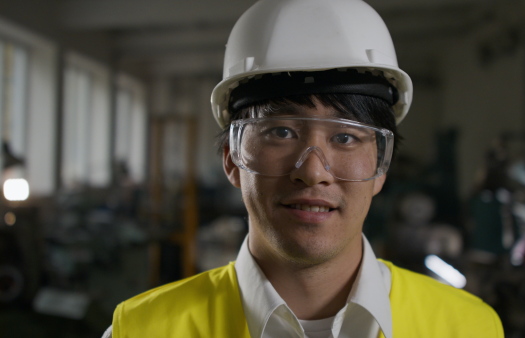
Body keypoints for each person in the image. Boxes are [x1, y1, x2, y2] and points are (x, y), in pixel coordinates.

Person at [104, 0, 504, 337]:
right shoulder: (142, 329)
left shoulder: (469, 328)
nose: (313, 172)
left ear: (382, 165)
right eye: (280, 131)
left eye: (346, 137)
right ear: (232, 159)